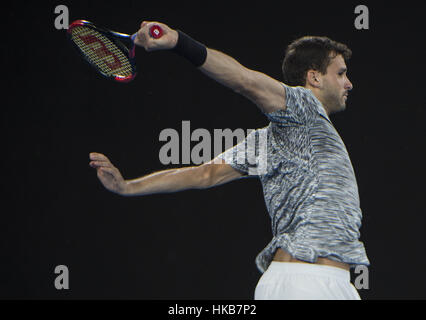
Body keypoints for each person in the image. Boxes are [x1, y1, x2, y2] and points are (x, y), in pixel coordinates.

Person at [89, 21, 369, 300]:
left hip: (318, 283)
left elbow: (204, 175)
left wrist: (128, 186)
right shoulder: (303, 107)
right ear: (314, 78)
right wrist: (178, 42)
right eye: (341, 73)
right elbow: (244, 81)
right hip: (309, 283)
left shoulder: (272, 141)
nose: (349, 83)